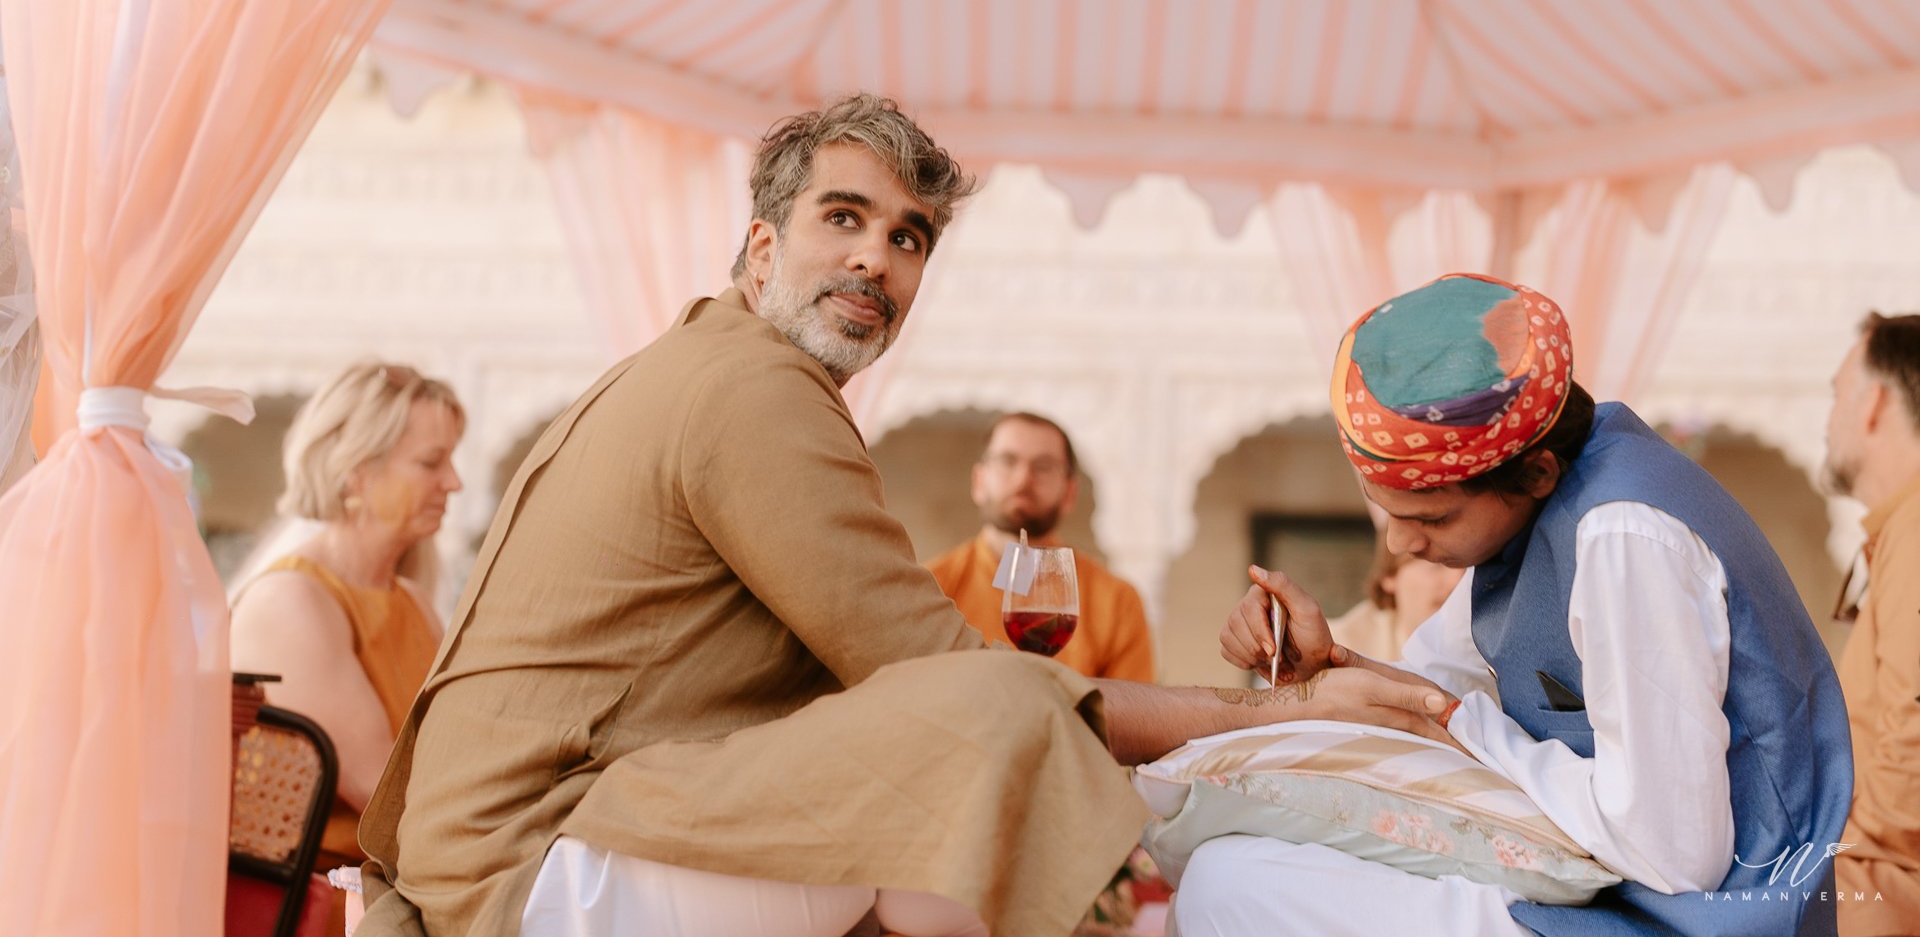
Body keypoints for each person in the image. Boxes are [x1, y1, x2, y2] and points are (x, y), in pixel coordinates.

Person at [353, 94, 1451, 937]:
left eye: (910, 236)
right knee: (981, 730)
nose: (878, 258)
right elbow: (950, 682)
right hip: (545, 859)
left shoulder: (704, 361)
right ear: (762, 246)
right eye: (845, 218)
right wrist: (1264, 718)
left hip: (507, 840)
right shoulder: (754, 391)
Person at [1198, 273, 1852, 937]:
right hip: (1606, 892)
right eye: (1386, 513)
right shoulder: (1535, 518)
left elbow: (1677, 852)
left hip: (1702, 919)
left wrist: (1474, 729)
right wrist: (1323, 663)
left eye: (1433, 517)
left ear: (1536, 471)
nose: (1399, 542)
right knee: (1232, 860)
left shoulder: (1622, 533)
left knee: (1227, 889)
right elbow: (1431, 691)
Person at [229, 362, 465, 937]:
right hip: (317, 909)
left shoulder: (411, 600)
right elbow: (390, 803)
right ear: (357, 470)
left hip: (396, 896)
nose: (454, 482)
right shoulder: (292, 601)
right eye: (431, 462)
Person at [926, 412, 1155, 681]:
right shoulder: (932, 589)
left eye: (1044, 466)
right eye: (1008, 461)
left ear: (1070, 493)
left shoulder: (1117, 602)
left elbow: (1128, 715)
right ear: (979, 481)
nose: (1024, 478)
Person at [1822, 312, 1920, 934]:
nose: (1826, 423)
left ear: (1874, 405)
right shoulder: (1900, 529)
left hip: (1879, 893)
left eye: (1835, 395)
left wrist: (1824, 864)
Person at [1324, 533, 1464, 662]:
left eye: (1471, 569)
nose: (1458, 581)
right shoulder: (1337, 646)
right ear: (1390, 575)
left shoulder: (1482, 648)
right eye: (1438, 564)